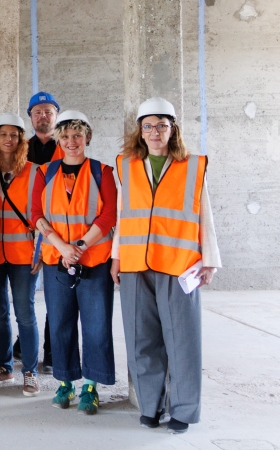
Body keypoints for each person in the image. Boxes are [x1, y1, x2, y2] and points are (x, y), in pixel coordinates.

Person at [112, 97, 221, 435]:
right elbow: (122, 215)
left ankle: (183, 410)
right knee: (140, 339)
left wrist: (209, 259)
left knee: (182, 342)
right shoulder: (126, 165)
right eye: (148, 126)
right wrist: (116, 256)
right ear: (140, 131)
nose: (155, 132)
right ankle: (150, 406)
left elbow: (204, 213)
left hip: (179, 264)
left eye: (162, 125)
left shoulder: (193, 165)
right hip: (135, 263)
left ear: (173, 129)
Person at [31, 110, 117, 415]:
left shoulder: (102, 172)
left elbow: (108, 216)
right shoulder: (44, 173)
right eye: (65, 136)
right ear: (58, 139)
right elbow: (35, 214)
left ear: (87, 137)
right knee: (60, 324)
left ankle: (91, 386)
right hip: (58, 262)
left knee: (96, 326)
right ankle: (65, 383)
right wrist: (61, 247)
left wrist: (79, 247)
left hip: (94, 262)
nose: (71, 141)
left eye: (77, 135)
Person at [0, 113, 41, 397]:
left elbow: (43, 215)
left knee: (25, 313)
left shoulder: (35, 172)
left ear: (21, 140)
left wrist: (41, 251)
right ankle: (4, 367)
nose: (8, 139)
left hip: (24, 255)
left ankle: (30, 371)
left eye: (14, 135)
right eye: (3, 134)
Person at [21, 90, 63, 373]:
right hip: (24, 231)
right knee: (24, 297)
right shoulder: (20, 149)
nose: (43, 116)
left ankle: (51, 351)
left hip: (56, 232)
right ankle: (22, 343)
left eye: (48, 111)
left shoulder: (69, 146)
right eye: (37, 112)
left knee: (55, 299)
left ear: (56, 115)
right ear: (31, 118)